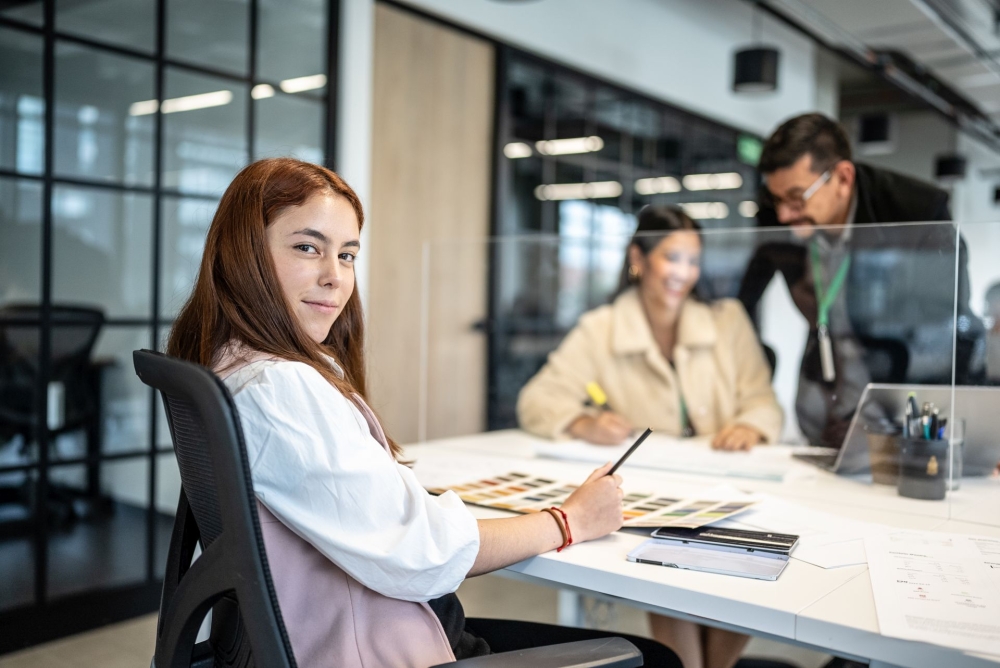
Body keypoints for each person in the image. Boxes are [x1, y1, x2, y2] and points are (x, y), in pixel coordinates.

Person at [165, 158, 680, 668]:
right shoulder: (278, 387)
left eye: (347, 256)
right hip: (377, 644)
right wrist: (569, 520)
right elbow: (423, 553)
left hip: (339, 629)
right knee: (654, 659)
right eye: (307, 247)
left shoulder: (229, 364)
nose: (334, 278)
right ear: (244, 255)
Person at [517, 205, 783, 668]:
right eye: (672, 257)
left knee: (738, 577)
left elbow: (764, 402)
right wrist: (584, 422)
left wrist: (750, 425)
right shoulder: (601, 329)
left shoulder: (727, 321)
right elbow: (537, 400)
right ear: (638, 257)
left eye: (693, 260)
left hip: (726, 489)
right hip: (657, 497)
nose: (684, 272)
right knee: (669, 575)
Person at [738, 113, 983, 449]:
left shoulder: (916, 213)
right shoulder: (777, 214)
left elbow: (951, 331)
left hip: (894, 413)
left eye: (796, 198)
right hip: (820, 407)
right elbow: (744, 297)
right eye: (777, 200)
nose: (784, 215)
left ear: (842, 177)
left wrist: (966, 436)